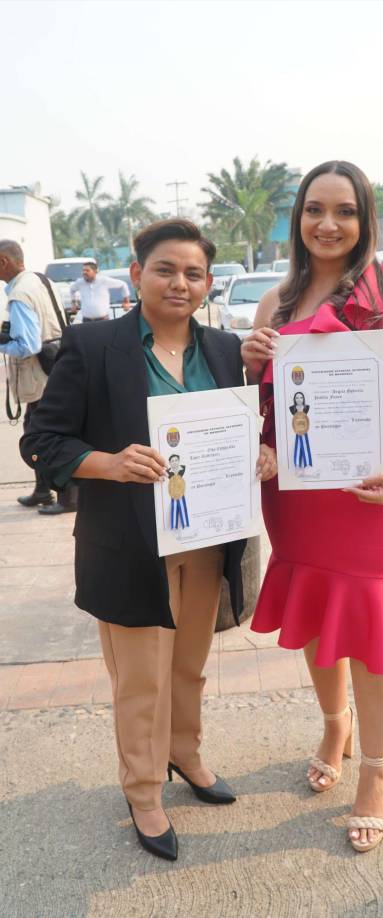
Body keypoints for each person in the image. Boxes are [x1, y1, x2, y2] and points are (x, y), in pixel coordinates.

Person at [20, 219, 277, 861]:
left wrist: (260, 454)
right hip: (130, 546)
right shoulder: (94, 344)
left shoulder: (222, 348)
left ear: (208, 283)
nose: (179, 283)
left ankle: (185, 754)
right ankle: (142, 789)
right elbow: (42, 441)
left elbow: (233, 432)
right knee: (141, 679)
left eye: (193, 273)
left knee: (189, 666)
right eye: (166, 269)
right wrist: (108, 463)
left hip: (205, 539)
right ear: (137, 274)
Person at [241, 161, 383, 853]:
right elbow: (260, 403)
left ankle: (378, 771)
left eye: (345, 211)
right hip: (296, 493)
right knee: (315, 607)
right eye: (314, 209)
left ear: (365, 220)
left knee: (369, 620)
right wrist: (251, 360)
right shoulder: (276, 302)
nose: (328, 224)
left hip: (375, 491)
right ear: (298, 219)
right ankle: (335, 723)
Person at [0, 239, 77, 514]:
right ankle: (44, 490)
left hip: (38, 373)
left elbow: (27, 346)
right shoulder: (40, 280)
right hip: (56, 366)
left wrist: (2, 342)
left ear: (3, 262)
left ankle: (68, 496)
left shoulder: (20, 294)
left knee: (41, 436)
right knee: (42, 430)